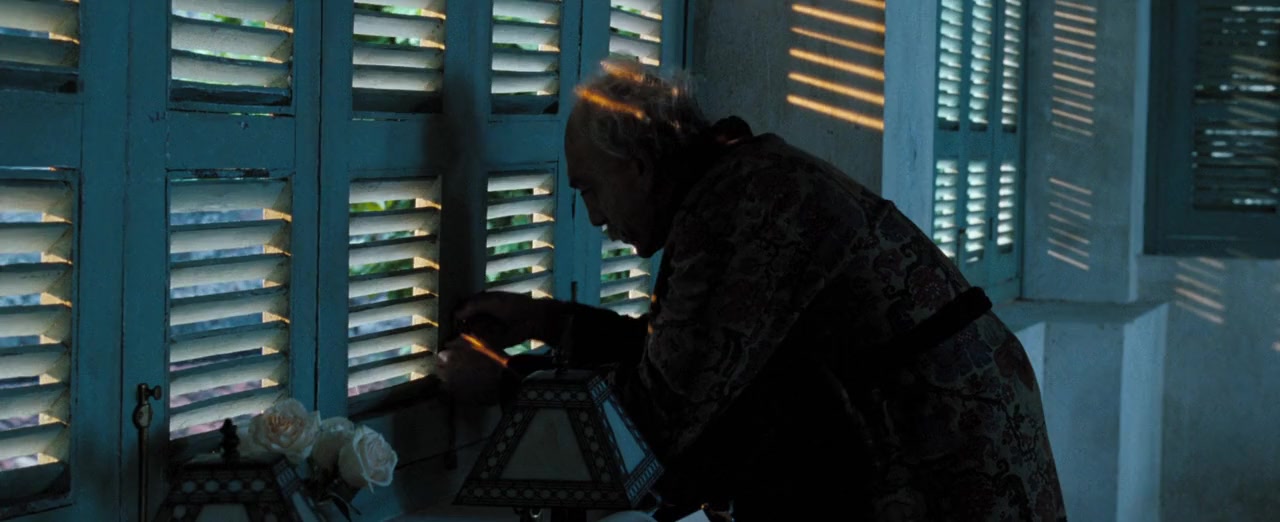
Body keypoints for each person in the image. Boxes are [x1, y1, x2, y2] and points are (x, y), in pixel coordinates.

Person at [439, 61, 1067, 521]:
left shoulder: (738, 211)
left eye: (589, 188)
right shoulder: (733, 181)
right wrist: (545, 322)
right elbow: (690, 356)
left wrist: (504, 383)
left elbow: (657, 414)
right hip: (954, 426)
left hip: (943, 450)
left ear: (638, 167)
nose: (593, 217)